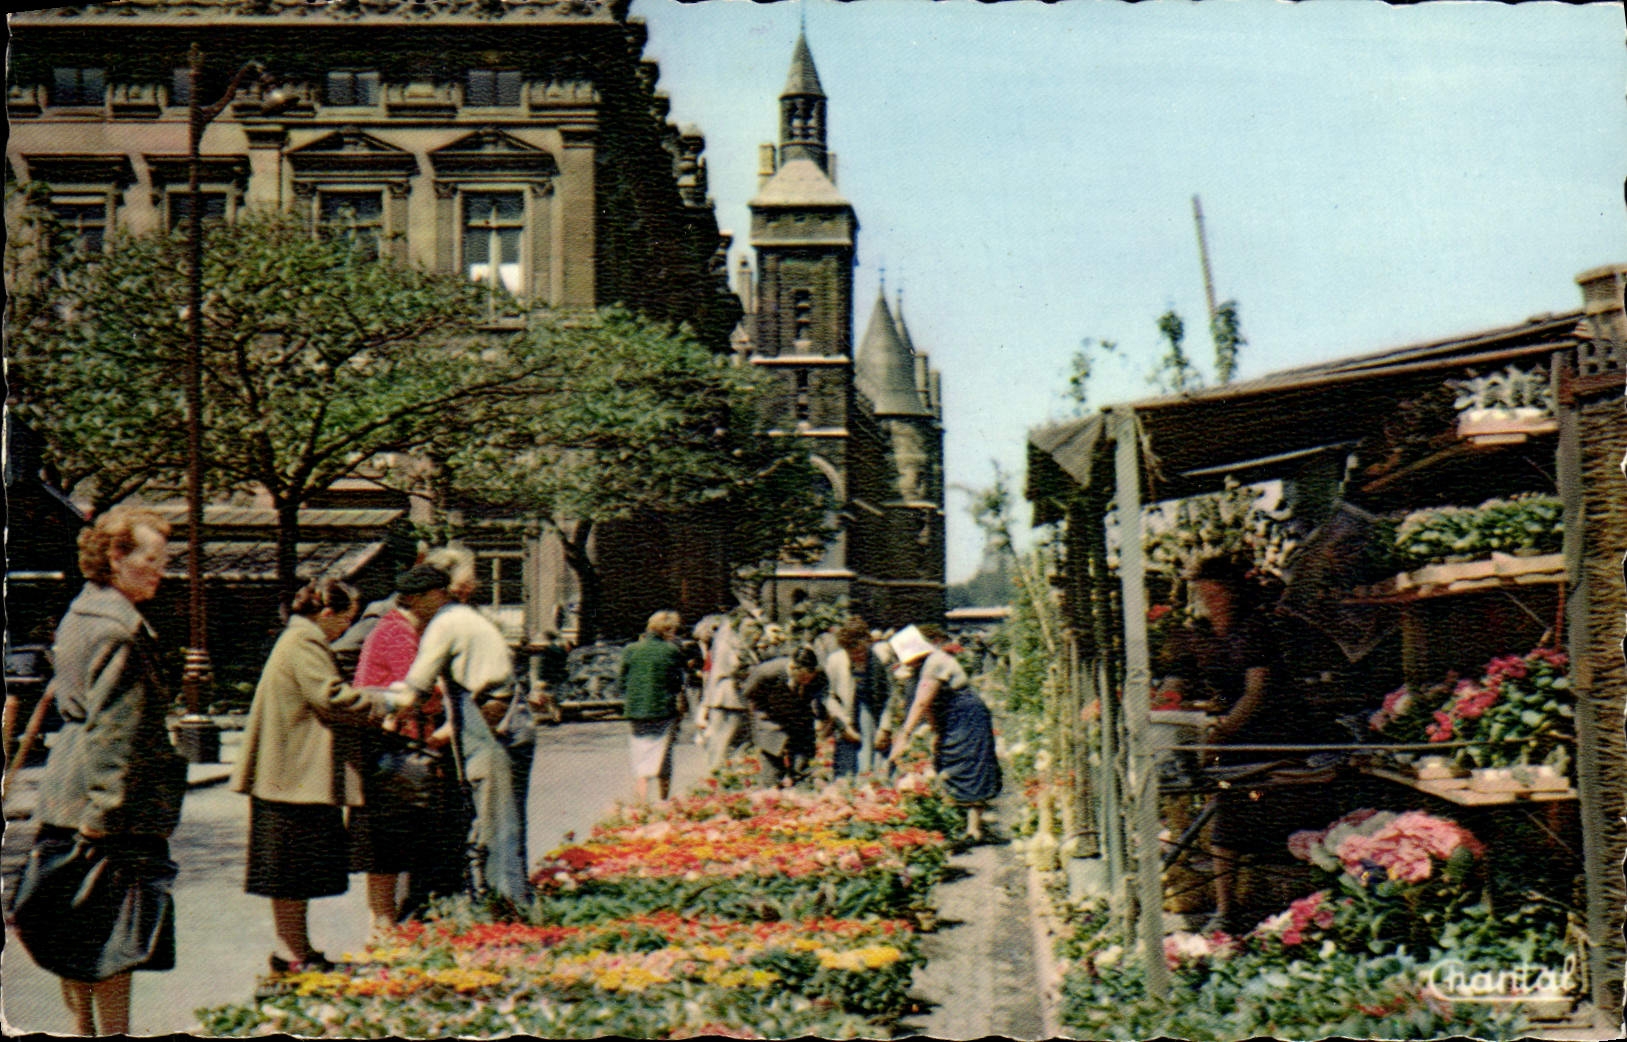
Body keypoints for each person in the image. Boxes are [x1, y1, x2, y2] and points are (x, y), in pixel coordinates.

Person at [25, 507, 184, 1034]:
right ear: (116, 557)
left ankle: (83, 1033)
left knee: (74, 930)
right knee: (114, 938)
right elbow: (118, 734)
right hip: (109, 809)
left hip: (64, 795)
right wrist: (106, 814)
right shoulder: (121, 632)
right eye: (152, 560)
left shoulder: (82, 614)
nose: (162, 571)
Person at [232, 578, 409, 975]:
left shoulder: (297, 638)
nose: (346, 629)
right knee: (291, 873)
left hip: (287, 775)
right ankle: (292, 953)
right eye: (345, 620)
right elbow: (329, 697)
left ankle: (294, 950)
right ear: (327, 613)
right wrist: (387, 699)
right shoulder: (306, 642)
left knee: (291, 873)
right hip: (294, 779)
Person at [1161, 553, 1288, 933]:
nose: (1210, 601)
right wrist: (1169, 696)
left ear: (1233, 593)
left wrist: (1223, 730)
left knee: (1236, 812)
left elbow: (1258, 691)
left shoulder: (1253, 629)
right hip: (1228, 732)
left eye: (1217, 594)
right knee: (1224, 812)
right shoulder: (1199, 632)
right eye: (1203, 594)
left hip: (1266, 728)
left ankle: (1232, 908)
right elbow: (1179, 677)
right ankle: (1227, 905)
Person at [399, 549, 529, 905]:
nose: (410, 611)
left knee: (498, 825)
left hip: (492, 721)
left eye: (413, 602)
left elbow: (415, 687)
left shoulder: (444, 624)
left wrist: (384, 713)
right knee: (503, 822)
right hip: (500, 715)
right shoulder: (463, 616)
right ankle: (507, 901)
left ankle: (509, 911)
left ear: (434, 594)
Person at [347, 565, 444, 935]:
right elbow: (421, 695)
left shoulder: (405, 629)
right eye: (439, 595)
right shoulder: (395, 633)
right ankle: (383, 926)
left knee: (398, 839)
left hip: (401, 743)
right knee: (386, 841)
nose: (444, 602)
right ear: (417, 598)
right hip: (390, 747)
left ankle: (389, 923)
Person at [888, 623, 1002, 842]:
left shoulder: (935, 662)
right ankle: (960, 824)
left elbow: (922, 702)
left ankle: (973, 829)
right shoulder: (920, 667)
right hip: (949, 716)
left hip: (967, 715)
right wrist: (936, 732)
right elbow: (930, 707)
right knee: (947, 760)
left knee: (970, 763)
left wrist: (904, 735)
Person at [618, 611, 688, 802]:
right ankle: (663, 801)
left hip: (636, 710)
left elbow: (621, 683)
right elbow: (676, 684)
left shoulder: (630, 650)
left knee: (640, 756)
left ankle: (641, 803)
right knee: (663, 757)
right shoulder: (671, 651)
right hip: (663, 710)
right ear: (668, 630)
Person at [740, 646, 827, 789]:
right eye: (803, 677)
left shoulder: (819, 674)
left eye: (809, 678)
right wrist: (764, 717)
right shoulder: (767, 672)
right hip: (771, 720)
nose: (806, 681)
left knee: (802, 771)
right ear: (793, 667)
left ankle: (800, 797)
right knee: (771, 775)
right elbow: (749, 696)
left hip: (800, 722)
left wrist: (821, 719)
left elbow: (822, 697)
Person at [824, 617, 884, 778]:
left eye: (861, 651)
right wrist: (843, 724)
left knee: (873, 768)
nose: (858, 656)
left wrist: (885, 728)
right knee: (846, 769)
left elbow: (888, 696)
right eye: (853, 653)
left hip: (872, 719)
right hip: (847, 719)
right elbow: (828, 697)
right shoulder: (835, 661)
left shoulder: (879, 660)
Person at [694, 614, 754, 769]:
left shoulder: (730, 645)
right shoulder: (728, 647)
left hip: (728, 695)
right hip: (729, 695)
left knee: (726, 740)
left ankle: (722, 770)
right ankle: (719, 772)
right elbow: (718, 673)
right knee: (724, 739)